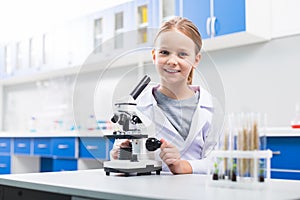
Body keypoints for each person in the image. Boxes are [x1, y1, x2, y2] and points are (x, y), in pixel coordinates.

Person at [110, 16, 215, 174]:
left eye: (182, 54)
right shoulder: (137, 107)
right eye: (164, 52)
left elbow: (219, 161)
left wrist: (183, 166)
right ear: (154, 56)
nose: (172, 61)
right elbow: (121, 155)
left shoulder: (212, 108)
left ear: (196, 60)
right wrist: (119, 154)